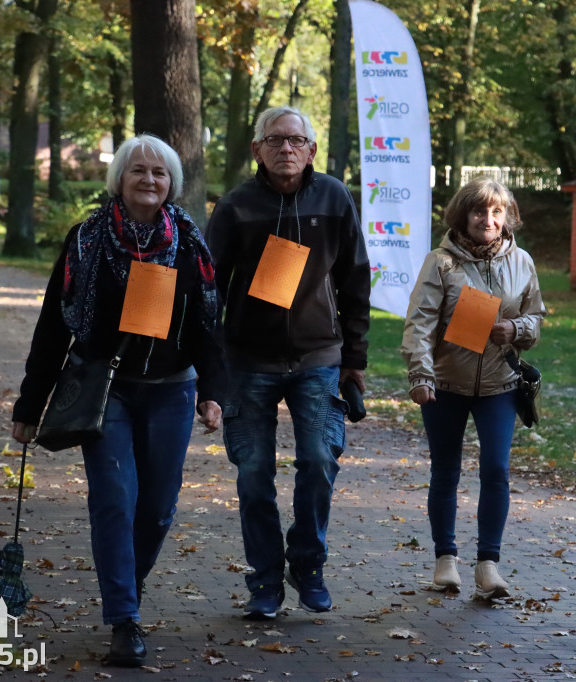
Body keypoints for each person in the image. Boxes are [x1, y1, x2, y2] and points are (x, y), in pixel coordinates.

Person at [10, 134, 226, 667]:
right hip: (105, 393)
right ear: (119, 179)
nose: (149, 180)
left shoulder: (190, 241)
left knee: (157, 511)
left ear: (171, 182)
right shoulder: (86, 239)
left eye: (159, 172)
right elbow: (52, 325)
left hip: (171, 391)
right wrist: (28, 406)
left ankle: (124, 585)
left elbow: (206, 324)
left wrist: (214, 392)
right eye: (138, 171)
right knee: (114, 500)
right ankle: (124, 619)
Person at [206, 106, 371, 620]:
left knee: (320, 462)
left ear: (312, 150)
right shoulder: (235, 206)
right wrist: (211, 372)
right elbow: (208, 291)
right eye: (275, 140)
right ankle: (265, 581)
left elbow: (356, 278)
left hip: (318, 356)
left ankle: (308, 563)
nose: (286, 149)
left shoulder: (334, 198)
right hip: (248, 362)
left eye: (296, 140)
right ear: (257, 149)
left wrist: (355, 358)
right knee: (253, 474)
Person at [400, 176, 546, 600]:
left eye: (497, 211)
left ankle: (488, 566)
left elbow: (536, 318)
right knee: (446, 471)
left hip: (500, 385)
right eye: (480, 211)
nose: (489, 219)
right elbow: (420, 323)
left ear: (508, 217)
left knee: (496, 471)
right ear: (463, 215)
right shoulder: (440, 263)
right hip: (444, 384)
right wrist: (421, 375)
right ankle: (445, 559)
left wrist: (515, 328)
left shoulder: (523, 263)